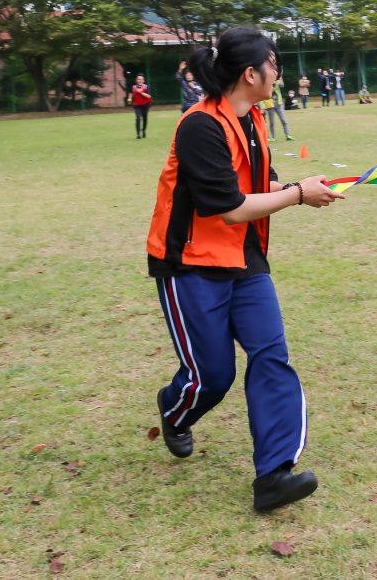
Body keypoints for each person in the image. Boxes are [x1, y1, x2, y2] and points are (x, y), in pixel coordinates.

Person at [146, 27, 344, 512]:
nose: (280, 71)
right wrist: (299, 195)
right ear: (250, 73)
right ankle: (175, 412)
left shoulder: (253, 118)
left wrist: (298, 183)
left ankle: (274, 475)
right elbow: (230, 208)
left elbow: (259, 183)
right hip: (190, 264)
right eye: (274, 64)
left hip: (245, 259)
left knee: (271, 354)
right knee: (213, 376)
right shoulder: (199, 126)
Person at [263, 76, 292, 142]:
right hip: (270, 104)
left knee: (283, 120)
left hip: (278, 103)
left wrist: (280, 76)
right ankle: (273, 137)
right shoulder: (266, 82)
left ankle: (288, 135)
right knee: (272, 122)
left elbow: (282, 85)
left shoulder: (277, 81)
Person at [129, 74, 152, 139]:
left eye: (140, 79)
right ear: (136, 80)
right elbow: (131, 93)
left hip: (145, 105)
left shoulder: (146, 87)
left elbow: (149, 96)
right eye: (138, 79)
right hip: (137, 105)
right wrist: (130, 98)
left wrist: (141, 92)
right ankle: (138, 134)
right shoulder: (133, 87)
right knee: (138, 118)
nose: (139, 80)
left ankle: (144, 130)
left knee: (145, 118)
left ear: (143, 80)